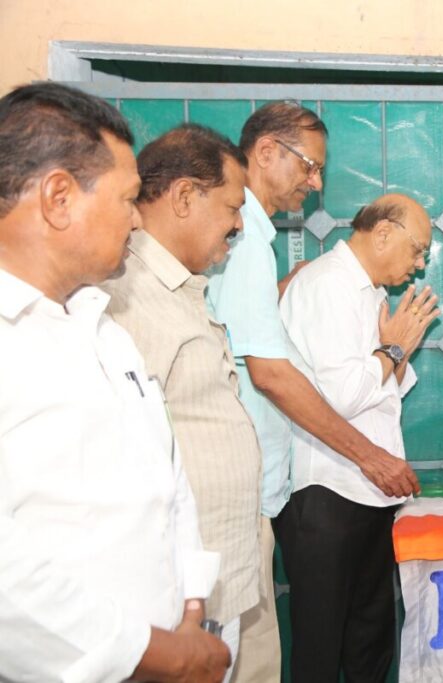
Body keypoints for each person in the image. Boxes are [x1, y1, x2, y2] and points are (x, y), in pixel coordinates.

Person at [0, 83, 228, 681]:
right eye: (128, 200)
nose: (136, 219)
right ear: (58, 198)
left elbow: (168, 484)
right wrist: (159, 655)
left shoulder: (106, 332)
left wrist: (192, 608)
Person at [206, 101, 418, 682]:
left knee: (357, 639)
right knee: (287, 651)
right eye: (309, 166)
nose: (316, 182)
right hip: (318, 480)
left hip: (315, 481)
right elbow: (279, 375)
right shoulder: (248, 235)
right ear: (266, 152)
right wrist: (391, 361)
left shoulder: (264, 246)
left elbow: (237, 328)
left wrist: (394, 354)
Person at [101, 124, 261, 678]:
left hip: (211, 581)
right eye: (233, 207)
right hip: (176, 601)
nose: (240, 225)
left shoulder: (181, 288)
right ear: (186, 196)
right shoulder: (127, 296)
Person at [276, 193, 439, 682]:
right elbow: (341, 396)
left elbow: (386, 386)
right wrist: (393, 347)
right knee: (321, 647)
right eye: (418, 250)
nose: (420, 264)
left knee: (369, 641)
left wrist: (396, 351)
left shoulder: (369, 293)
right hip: (327, 490)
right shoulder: (326, 284)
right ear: (383, 232)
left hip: (370, 488)